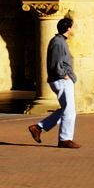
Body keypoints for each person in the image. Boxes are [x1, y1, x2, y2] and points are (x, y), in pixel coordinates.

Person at [28, 15, 79, 149]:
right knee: (69, 111)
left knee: (66, 110)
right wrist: (64, 75)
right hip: (61, 80)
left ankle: (38, 128)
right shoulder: (58, 42)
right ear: (68, 28)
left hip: (63, 79)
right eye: (73, 26)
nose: (74, 29)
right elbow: (56, 62)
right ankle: (65, 139)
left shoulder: (60, 41)